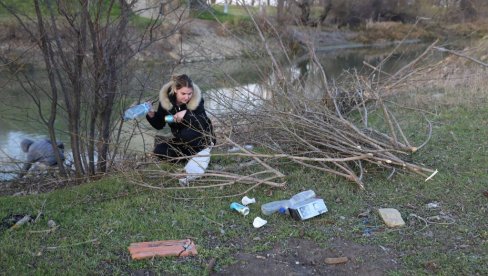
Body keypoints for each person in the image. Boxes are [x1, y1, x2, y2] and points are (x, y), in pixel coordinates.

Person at [146, 74, 215, 161]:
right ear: (175, 90)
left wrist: (186, 113)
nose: (187, 97)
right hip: (182, 141)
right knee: (159, 150)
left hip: (202, 139)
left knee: (187, 134)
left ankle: (198, 153)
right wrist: (152, 115)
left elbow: (202, 121)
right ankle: (191, 157)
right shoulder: (166, 101)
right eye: (183, 93)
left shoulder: (197, 99)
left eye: (189, 93)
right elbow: (160, 124)